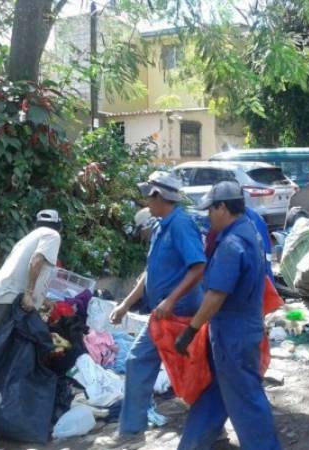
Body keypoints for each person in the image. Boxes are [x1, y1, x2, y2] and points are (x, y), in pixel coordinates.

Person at [95, 171, 206, 448]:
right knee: (138, 362)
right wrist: (124, 304)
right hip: (162, 314)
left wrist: (170, 300)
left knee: (190, 372)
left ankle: (209, 426)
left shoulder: (180, 225)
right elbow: (149, 273)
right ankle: (131, 430)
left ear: (159, 196)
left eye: (149, 194)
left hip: (180, 313)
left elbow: (198, 267)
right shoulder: (160, 225)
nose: (145, 199)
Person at [175, 181, 282, 450]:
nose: (208, 216)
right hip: (238, 329)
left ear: (222, 207)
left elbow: (215, 296)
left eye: (210, 209)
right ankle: (192, 444)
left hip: (233, 334)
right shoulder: (249, 231)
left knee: (245, 399)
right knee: (219, 390)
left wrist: (189, 332)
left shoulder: (231, 245)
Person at [0, 209, 62, 336]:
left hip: (0, 296)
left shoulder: (30, 237)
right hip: (8, 300)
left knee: (2, 350)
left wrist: (43, 300)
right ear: (59, 225)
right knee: (0, 351)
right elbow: (36, 261)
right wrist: (28, 294)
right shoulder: (52, 235)